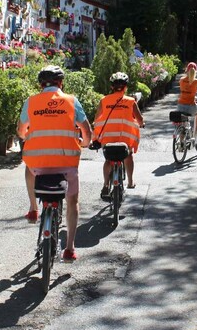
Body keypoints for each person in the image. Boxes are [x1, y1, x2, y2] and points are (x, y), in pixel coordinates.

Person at [17, 65, 92, 262]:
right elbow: (86, 131)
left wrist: (27, 135)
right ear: (61, 83)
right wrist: (85, 143)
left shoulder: (31, 102)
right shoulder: (71, 101)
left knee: (28, 168)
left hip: (38, 163)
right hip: (66, 163)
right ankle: (69, 249)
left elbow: (21, 130)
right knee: (72, 202)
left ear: (41, 85)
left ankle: (33, 209)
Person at [92, 72, 145, 200]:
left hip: (108, 140)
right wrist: (142, 124)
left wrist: (95, 137)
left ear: (112, 87)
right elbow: (140, 120)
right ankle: (131, 182)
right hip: (124, 140)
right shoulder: (131, 101)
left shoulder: (104, 101)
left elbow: (96, 120)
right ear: (125, 87)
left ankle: (105, 185)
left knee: (108, 160)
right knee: (128, 155)